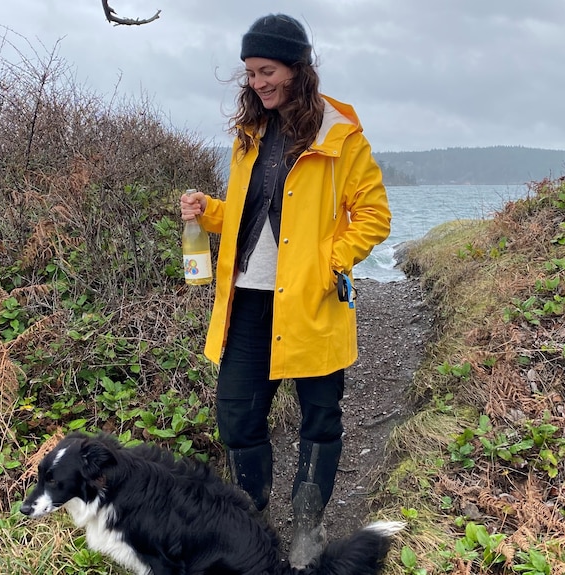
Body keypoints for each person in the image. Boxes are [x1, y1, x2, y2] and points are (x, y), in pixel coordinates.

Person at [180, 13, 391, 568]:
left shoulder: (339, 136)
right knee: (237, 417)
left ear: (298, 69)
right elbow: (256, 215)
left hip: (313, 299)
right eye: (250, 73)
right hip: (247, 299)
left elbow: (372, 215)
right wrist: (212, 211)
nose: (257, 83)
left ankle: (308, 526)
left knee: (320, 416)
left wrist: (330, 263)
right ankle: (253, 522)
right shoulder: (248, 134)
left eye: (267, 70)